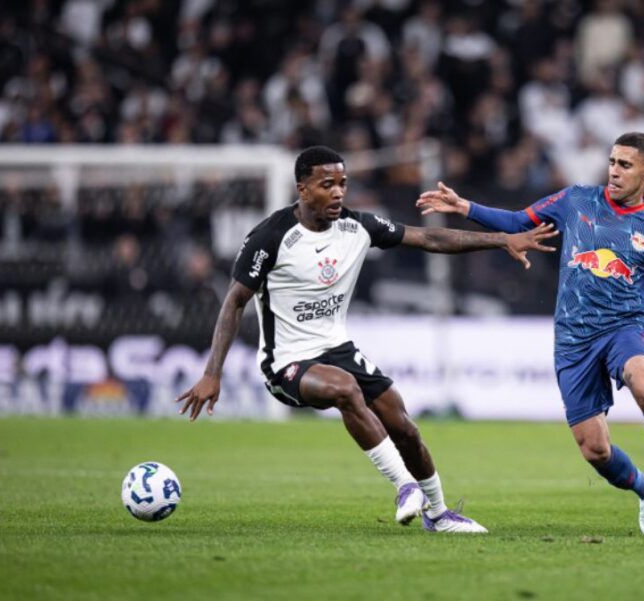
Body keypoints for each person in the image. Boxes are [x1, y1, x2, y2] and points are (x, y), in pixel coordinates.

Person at [176, 145, 558, 534]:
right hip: (286, 362)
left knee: (403, 424)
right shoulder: (269, 238)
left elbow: (430, 238)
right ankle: (404, 487)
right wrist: (212, 373)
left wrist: (500, 240)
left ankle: (440, 515)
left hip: (338, 350)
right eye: (327, 185)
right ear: (303, 189)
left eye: (343, 183)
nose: (338, 192)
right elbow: (233, 302)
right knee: (344, 390)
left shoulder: (356, 227)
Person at [416, 132, 644, 536]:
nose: (615, 171)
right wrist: (464, 206)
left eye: (625, 164)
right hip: (573, 337)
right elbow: (519, 222)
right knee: (595, 449)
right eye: (612, 162)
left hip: (625, 327)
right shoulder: (576, 200)